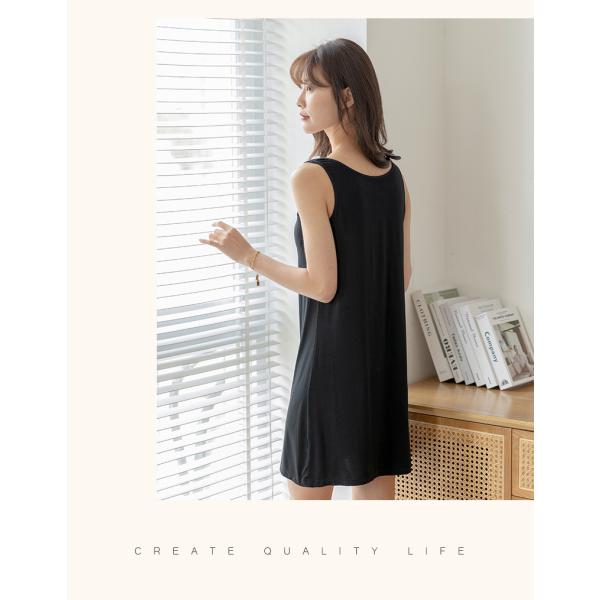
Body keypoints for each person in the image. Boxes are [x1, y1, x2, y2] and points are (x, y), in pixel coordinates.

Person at [199, 38, 413, 500]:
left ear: (348, 96)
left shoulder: (313, 176)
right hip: (380, 371)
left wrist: (248, 256)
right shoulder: (393, 177)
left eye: (311, 88)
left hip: (329, 369)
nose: (299, 100)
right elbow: (401, 279)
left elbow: (322, 285)